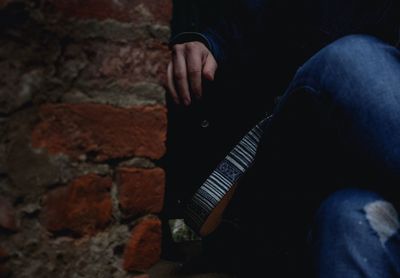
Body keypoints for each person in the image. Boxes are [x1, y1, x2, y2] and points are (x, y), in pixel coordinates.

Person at [166, 0, 400, 277]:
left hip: (368, 198)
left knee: (347, 219)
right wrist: (205, 44)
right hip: (293, 172)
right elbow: (242, 28)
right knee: (353, 59)